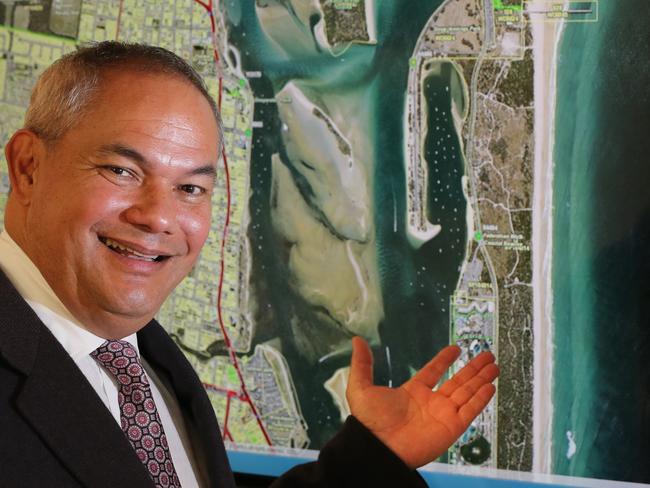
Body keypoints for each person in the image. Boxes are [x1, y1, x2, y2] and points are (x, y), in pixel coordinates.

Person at [0, 42, 498, 487]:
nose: (158, 217)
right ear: (28, 167)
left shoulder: (141, 359)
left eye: (190, 188)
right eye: (121, 171)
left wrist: (371, 460)